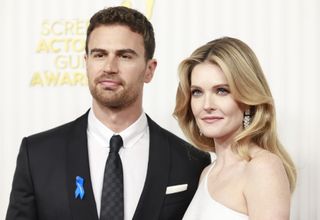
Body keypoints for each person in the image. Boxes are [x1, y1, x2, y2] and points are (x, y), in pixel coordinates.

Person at [6, 6, 210, 220]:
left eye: (125, 56)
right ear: (86, 63)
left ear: (149, 70)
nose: (109, 67)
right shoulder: (38, 155)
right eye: (100, 55)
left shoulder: (190, 162)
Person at [174, 37, 297, 220]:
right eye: (197, 92)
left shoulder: (262, 168)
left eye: (222, 90)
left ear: (248, 99)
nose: (207, 105)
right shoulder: (207, 173)